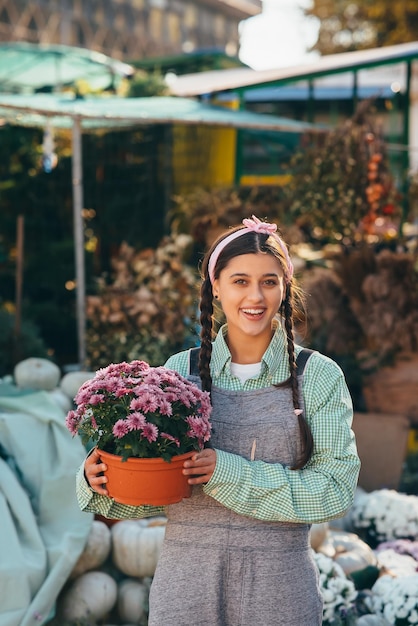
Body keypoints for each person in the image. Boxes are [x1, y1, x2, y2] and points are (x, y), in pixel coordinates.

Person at [77, 215, 360, 626]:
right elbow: (154, 487)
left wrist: (225, 472)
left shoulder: (318, 376)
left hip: (279, 589)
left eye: (269, 281)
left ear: (285, 288)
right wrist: (101, 480)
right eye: (240, 281)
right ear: (216, 288)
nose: (255, 296)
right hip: (185, 585)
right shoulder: (180, 371)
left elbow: (333, 492)